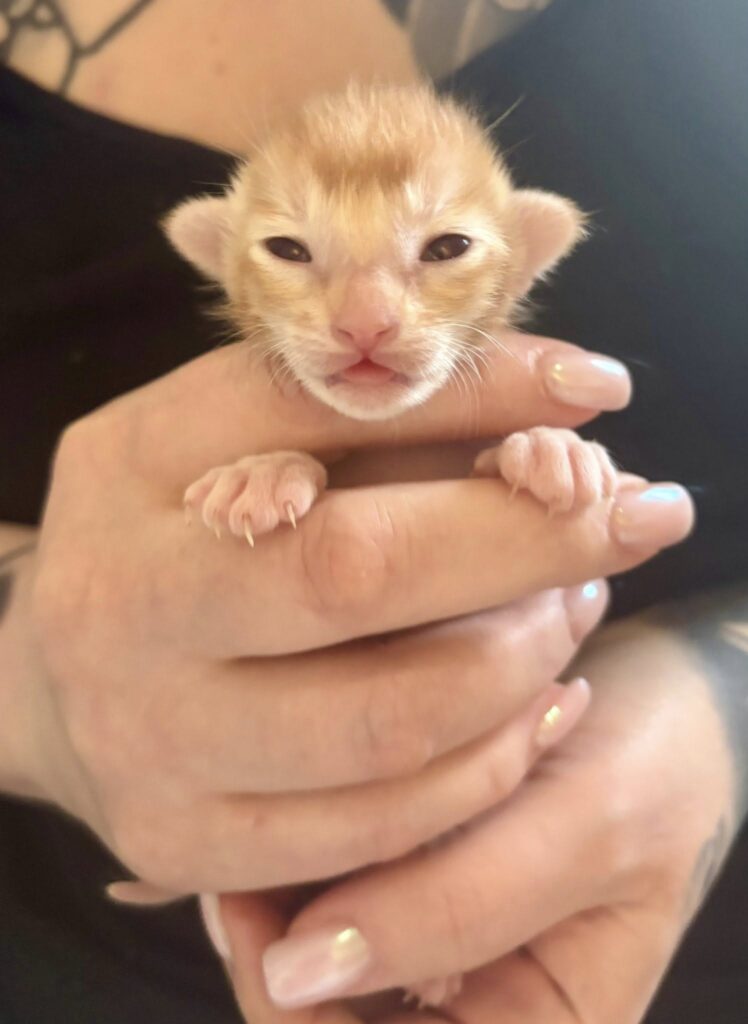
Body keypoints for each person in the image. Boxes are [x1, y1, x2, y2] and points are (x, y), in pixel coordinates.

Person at [0, 2, 745, 1023]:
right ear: (218, 257)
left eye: (443, 248)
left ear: (528, 254)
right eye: (289, 250)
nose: (364, 319)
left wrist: (547, 463)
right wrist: (29, 692)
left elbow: (538, 523)